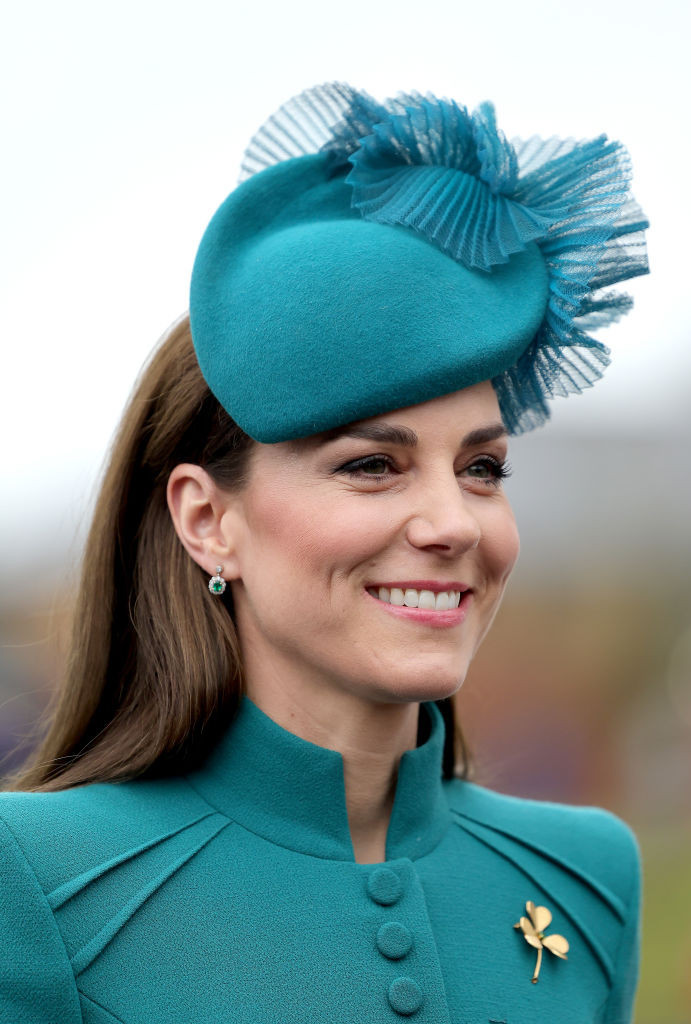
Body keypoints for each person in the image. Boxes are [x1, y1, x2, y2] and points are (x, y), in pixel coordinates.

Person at [0, 82, 649, 1023]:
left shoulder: (587, 879)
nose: (454, 523)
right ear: (207, 521)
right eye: (372, 465)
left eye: (481, 468)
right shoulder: (36, 880)